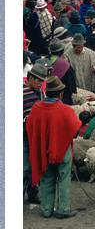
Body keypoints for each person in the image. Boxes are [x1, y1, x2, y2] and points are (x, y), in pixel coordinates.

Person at [26, 76, 81, 219]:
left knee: (46, 177)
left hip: (44, 150)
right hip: (63, 150)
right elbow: (75, 130)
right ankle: (63, 210)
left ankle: (46, 209)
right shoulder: (65, 109)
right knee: (63, 178)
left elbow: (29, 126)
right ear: (60, 94)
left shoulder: (36, 108)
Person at [23, 63, 47, 204]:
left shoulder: (41, 93)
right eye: (38, 80)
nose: (41, 84)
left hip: (36, 136)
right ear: (30, 77)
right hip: (24, 135)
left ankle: (33, 194)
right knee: (24, 167)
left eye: (42, 81)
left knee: (34, 166)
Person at [48, 38, 77, 105]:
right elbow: (70, 82)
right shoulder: (64, 64)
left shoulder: (45, 62)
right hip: (63, 96)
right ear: (61, 51)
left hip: (48, 94)